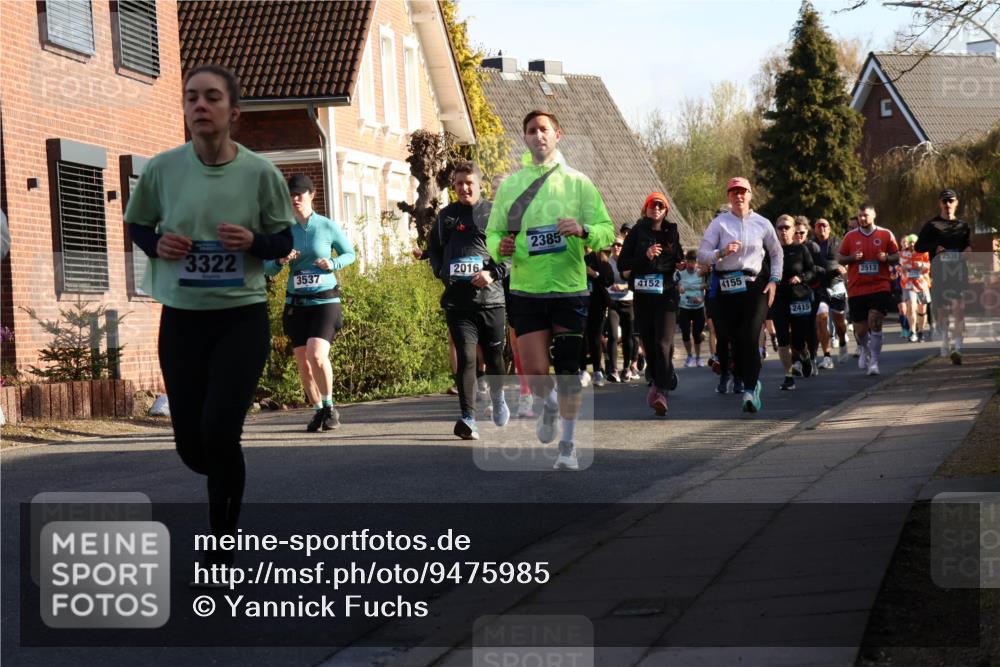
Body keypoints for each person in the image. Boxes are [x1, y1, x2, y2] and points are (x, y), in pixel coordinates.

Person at [125, 64, 294, 568]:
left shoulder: (261, 173)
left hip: (240, 317)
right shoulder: (162, 168)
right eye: (192, 98)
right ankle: (217, 469)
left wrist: (254, 242)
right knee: (193, 448)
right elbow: (137, 222)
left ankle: (223, 538)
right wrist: (158, 244)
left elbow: (284, 241)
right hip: (182, 317)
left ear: (232, 112)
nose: (200, 105)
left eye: (212, 98)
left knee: (221, 430)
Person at [487, 110, 615, 470]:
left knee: (569, 369)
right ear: (525, 138)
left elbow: (606, 229)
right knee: (537, 370)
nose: (538, 135)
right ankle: (549, 404)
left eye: (544, 129)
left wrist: (584, 229)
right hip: (527, 289)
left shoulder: (578, 183)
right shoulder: (512, 186)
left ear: (557, 134)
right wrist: (501, 248)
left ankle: (568, 447)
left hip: (570, 289)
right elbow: (494, 233)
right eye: (531, 131)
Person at [265, 174, 355, 432]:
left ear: (311, 195)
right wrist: (281, 261)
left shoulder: (326, 226)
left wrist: (333, 263)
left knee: (317, 355)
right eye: (290, 195)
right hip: (296, 303)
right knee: (303, 362)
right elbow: (267, 268)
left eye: (299, 194)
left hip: (325, 300)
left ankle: (329, 406)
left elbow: (350, 253)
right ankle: (318, 411)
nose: (294, 199)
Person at [427, 161, 510, 439]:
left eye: (469, 183)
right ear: (454, 186)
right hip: (458, 302)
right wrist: (440, 270)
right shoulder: (445, 216)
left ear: (479, 185)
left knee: (495, 359)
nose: (464, 188)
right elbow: (434, 251)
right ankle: (468, 417)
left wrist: (492, 273)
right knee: (465, 356)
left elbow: (512, 254)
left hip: (491, 301)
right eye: (459, 183)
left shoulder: (495, 213)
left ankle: (498, 399)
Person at [697, 177, 782, 413]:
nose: (738, 196)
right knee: (730, 338)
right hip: (726, 286)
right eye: (733, 193)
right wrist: (721, 252)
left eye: (742, 192)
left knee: (749, 336)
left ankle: (749, 389)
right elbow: (702, 255)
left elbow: (776, 253)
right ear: (728, 197)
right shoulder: (719, 223)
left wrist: (774, 280)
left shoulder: (762, 223)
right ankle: (748, 381)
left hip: (754, 286)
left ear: (750, 195)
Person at [619, 192, 684, 416]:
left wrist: (681, 263)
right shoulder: (637, 232)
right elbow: (622, 264)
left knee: (663, 343)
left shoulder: (672, 231)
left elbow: (677, 258)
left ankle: (660, 390)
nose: (656, 208)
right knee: (648, 341)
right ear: (645, 209)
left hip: (666, 293)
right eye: (652, 205)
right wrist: (645, 256)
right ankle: (661, 377)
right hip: (644, 295)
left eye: (660, 205)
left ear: (666, 210)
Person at [837, 204, 899, 376]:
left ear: (874, 215)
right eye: (859, 216)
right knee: (861, 330)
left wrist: (886, 258)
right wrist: (852, 258)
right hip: (857, 287)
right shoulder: (850, 237)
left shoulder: (885, 234)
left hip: (880, 285)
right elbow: (840, 259)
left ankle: (874, 362)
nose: (862, 219)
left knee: (875, 321)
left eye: (865, 215)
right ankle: (864, 348)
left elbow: (896, 256)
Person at [915, 189, 972, 364]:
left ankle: (957, 348)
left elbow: (968, 246)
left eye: (951, 201)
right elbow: (918, 247)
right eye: (945, 201)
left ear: (956, 203)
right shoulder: (932, 225)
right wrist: (935, 246)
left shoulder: (963, 226)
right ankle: (946, 339)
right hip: (940, 273)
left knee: (959, 308)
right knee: (943, 312)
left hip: (959, 272)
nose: (948, 204)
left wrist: (967, 252)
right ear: (940, 203)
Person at [773, 216, 817, 390]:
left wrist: (801, 277)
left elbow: (812, 270)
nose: (783, 231)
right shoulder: (771, 251)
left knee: (798, 341)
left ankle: (805, 355)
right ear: (776, 230)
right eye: (780, 228)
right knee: (783, 340)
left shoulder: (801, 249)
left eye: (787, 227)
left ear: (793, 230)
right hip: (779, 299)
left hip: (799, 297)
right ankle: (788, 376)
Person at [811, 217, 849, 367]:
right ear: (815, 228)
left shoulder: (838, 242)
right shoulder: (811, 245)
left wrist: (845, 268)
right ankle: (827, 356)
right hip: (820, 286)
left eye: (824, 225)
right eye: (818, 226)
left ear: (830, 228)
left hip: (837, 285)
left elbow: (847, 259)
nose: (822, 228)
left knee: (839, 322)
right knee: (821, 317)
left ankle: (842, 341)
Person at [793, 217, 824, 374]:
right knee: (794, 326)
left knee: (809, 326)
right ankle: (797, 360)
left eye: (802, 232)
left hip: (811, 291)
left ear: (807, 232)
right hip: (792, 294)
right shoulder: (788, 247)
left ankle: (811, 357)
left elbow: (818, 269)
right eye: (796, 232)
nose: (798, 235)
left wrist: (804, 277)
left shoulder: (813, 247)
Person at [581, 245, 613, 386]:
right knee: (580, 337)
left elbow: (609, 280)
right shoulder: (575, 257)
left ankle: (597, 371)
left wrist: (594, 274)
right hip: (579, 302)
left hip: (597, 304)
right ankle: (582, 370)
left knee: (595, 338)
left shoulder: (601, 259)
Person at [605, 235, 635, 382]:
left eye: (619, 245)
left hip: (628, 301)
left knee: (628, 337)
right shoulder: (607, 263)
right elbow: (602, 280)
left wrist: (623, 286)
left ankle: (627, 368)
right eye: (613, 245)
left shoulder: (629, 261)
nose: (616, 247)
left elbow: (636, 281)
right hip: (612, 302)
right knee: (612, 335)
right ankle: (613, 369)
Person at [677, 250, 708, 367]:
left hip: (698, 307)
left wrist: (702, 298)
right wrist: (679, 288)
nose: (691, 264)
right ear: (686, 261)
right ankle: (689, 356)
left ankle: (698, 357)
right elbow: (676, 286)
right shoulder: (680, 274)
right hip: (684, 307)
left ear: (697, 262)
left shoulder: (701, 273)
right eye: (689, 262)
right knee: (685, 332)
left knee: (697, 334)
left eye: (693, 262)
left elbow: (708, 286)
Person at [899, 234, 931, 342]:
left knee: (922, 310)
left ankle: (921, 331)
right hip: (908, 284)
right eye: (910, 242)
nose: (912, 244)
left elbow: (928, 266)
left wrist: (921, 265)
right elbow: (898, 267)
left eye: (914, 242)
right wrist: (902, 268)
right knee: (911, 307)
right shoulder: (903, 254)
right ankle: (912, 332)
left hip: (922, 284)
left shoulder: (924, 253)